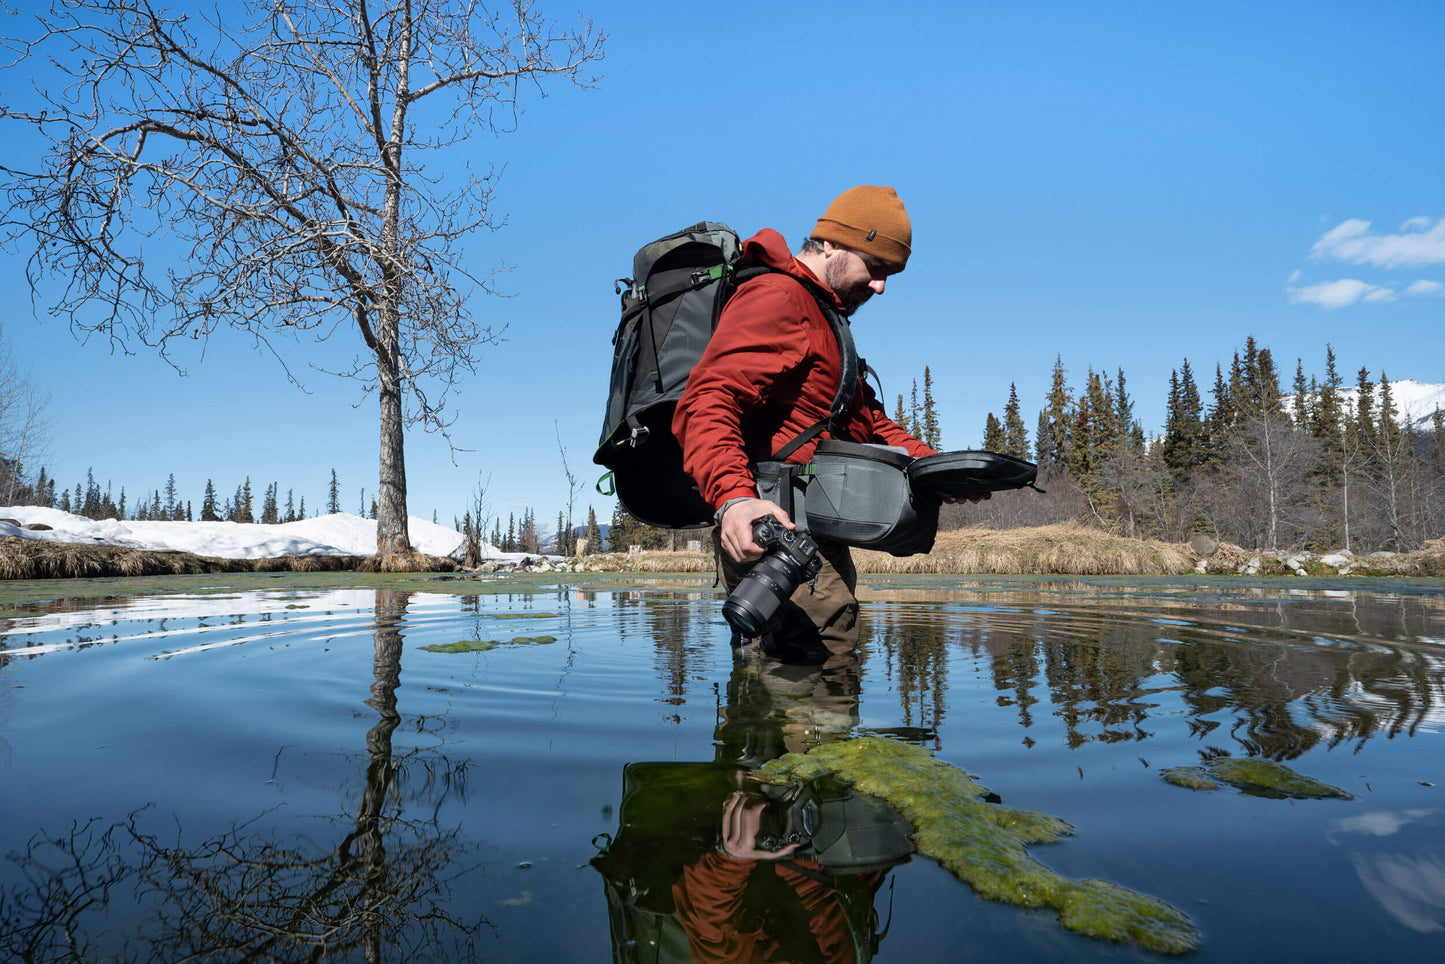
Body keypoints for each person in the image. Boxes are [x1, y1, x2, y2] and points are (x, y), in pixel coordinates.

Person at [673, 185, 968, 665]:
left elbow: (868, 421)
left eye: (891, 274)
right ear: (832, 243)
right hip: (777, 533)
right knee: (819, 691)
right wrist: (733, 498)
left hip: (812, 539)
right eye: (876, 267)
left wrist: (938, 468)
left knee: (783, 696)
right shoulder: (778, 297)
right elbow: (708, 398)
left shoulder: (824, 317)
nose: (881, 287)